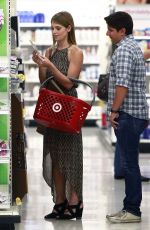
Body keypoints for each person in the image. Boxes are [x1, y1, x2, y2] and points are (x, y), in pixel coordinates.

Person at [32, 11, 83, 220]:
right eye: (52, 28)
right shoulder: (49, 51)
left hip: (69, 108)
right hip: (53, 109)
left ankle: (75, 203)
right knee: (55, 157)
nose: (54, 32)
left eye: (58, 28)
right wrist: (40, 66)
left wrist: (51, 65)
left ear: (68, 28)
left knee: (70, 158)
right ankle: (59, 202)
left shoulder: (75, 52)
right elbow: (45, 80)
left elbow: (69, 82)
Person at [104, 11, 149, 223]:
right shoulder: (133, 47)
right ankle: (128, 207)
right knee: (129, 162)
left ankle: (132, 210)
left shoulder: (123, 51)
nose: (107, 33)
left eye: (111, 30)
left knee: (130, 164)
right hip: (135, 113)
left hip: (128, 114)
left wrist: (114, 110)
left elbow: (122, 84)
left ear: (122, 31)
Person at [114, 50, 150, 182]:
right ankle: (127, 170)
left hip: (124, 104)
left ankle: (121, 170)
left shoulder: (123, 49)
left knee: (123, 140)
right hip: (130, 105)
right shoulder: (129, 50)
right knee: (129, 141)